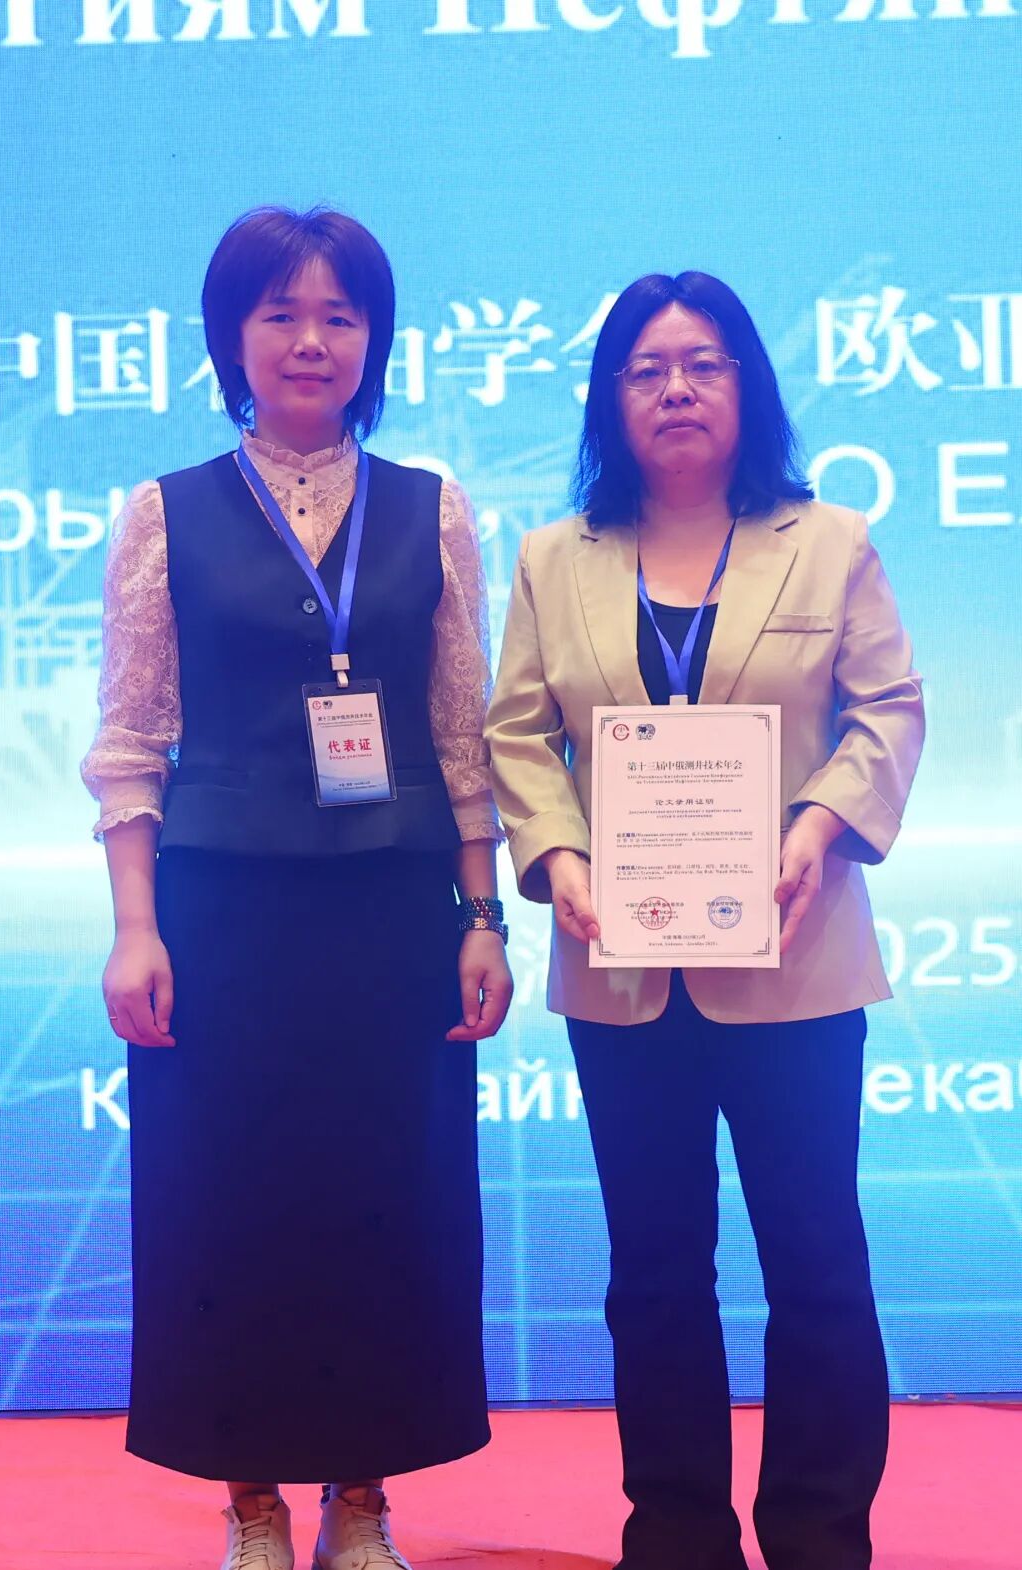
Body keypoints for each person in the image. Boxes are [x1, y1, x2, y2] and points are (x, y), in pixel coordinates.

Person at [81, 205, 513, 1570]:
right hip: (222, 913)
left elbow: (461, 735)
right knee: (231, 1195)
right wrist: (135, 926)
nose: (310, 340)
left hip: (392, 911)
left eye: (338, 314)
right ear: (234, 339)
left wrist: (482, 914)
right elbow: (131, 737)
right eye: (280, 314)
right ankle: (254, 1501)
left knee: (387, 1191)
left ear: (373, 339)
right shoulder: (164, 511)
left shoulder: (435, 507)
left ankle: (363, 1501)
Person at [485, 272, 924, 1570]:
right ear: (611, 399)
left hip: (795, 954)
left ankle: (820, 1533)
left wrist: (817, 826)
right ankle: (675, 1533)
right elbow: (518, 731)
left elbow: (887, 709)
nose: (676, 388)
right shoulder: (553, 558)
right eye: (647, 369)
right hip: (621, 969)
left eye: (704, 363)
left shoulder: (830, 539)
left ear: (747, 386)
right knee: (656, 1272)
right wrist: (557, 852)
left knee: (817, 1262)